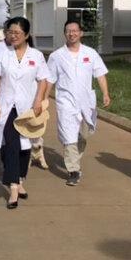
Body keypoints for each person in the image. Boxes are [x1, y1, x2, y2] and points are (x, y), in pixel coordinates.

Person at [0, 17, 50, 209]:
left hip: (27, 107)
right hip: (6, 106)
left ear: (27, 35)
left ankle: (20, 179)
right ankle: (14, 187)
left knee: (25, 146)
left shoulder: (36, 55)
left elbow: (43, 80)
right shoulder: (2, 54)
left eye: (17, 33)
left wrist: (38, 100)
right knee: (12, 144)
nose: (13, 36)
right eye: (10, 32)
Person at [47, 20, 111, 186]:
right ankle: (73, 170)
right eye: (68, 31)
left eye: (75, 30)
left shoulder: (91, 53)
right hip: (65, 101)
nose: (72, 33)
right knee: (69, 135)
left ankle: (74, 159)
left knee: (83, 135)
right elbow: (49, 80)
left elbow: (100, 74)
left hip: (86, 101)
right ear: (64, 33)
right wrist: (43, 99)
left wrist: (105, 93)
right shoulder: (56, 56)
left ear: (81, 33)